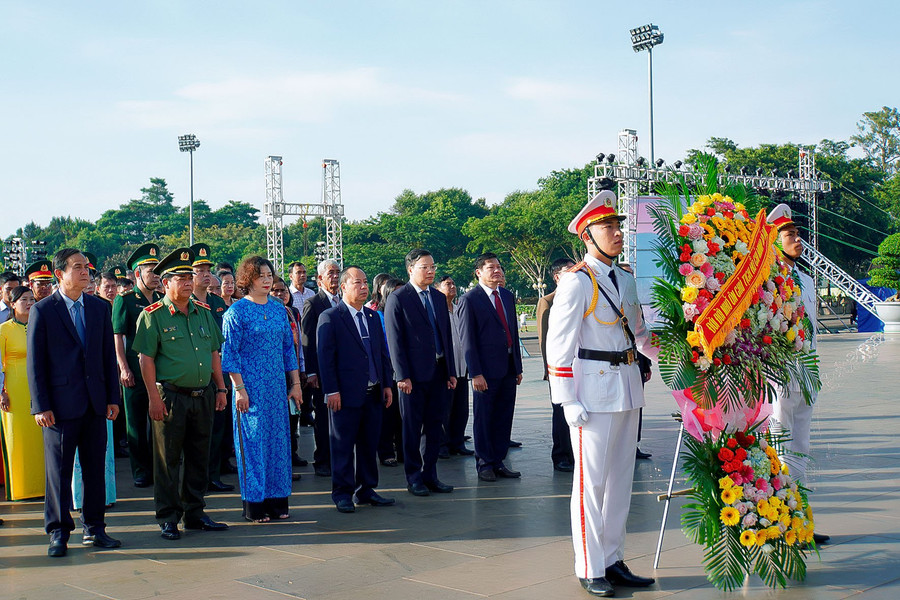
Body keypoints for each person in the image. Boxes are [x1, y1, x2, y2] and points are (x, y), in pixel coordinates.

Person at [546, 191, 658, 596]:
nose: (616, 233)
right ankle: (590, 566)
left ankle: (613, 558)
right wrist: (567, 399)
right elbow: (557, 347)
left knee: (620, 482)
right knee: (590, 484)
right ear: (587, 236)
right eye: (606, 227)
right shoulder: (576, 282)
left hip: (627, 388)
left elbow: (641, 335)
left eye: (617, 226)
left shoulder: (625, 279)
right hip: (591, 393)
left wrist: (686, 347)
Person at [27, 249, 122, 557]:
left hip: (95, 404)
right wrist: (40, 405)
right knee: (59, 471)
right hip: (59, 406)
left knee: (95, 469)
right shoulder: (44, 310)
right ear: (60, 274)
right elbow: (36, 363)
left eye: (87, 268)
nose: (85, 272)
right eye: (78, 268)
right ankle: (58, 532)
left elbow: (108, 356)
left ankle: (95, 528)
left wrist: (112, 398)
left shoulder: (98, 308)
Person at [133, 247, 229, 540]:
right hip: (170, 398)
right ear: (166, 284)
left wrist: (221, 387)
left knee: (200, 457)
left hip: (203, 395)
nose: (189, 282)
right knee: (168, 461)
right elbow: (145, 360)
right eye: (181, 278)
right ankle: (168, 517)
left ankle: (195, 512)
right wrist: (152, 398)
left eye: (190, 277)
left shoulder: (204, 312)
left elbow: (214, 352)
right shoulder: (153, 316)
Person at [766, 204, 829, 546]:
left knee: (800, 449)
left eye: (797, 234)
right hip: (779, 375)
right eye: (789, 235)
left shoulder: (804, 278)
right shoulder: (766, 279)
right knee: (779, 447)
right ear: (773, 241)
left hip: (805, 372)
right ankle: (780, 521)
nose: (797, 240)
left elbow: (813, 330)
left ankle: (800, 520)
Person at [222, 256, 302, 522]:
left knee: (279, 445)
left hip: (277, 390)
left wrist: (296, 384)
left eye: (270, 275)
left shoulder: (280, 309)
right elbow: (230, 355)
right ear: (248, 280)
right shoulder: (236, 312)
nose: (268, 280)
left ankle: (278, 501)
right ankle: (254, 505)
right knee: (254, 445)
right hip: (250, 390)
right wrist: (240, 389)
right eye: (261, 276)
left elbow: (288, 350)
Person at [317, 266, 395, 513]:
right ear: (343, 287)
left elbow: (381, 354)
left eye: (365, 282)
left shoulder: (372, 317)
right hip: (344, 394)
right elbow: (325, 359)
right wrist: (331, 391)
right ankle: (342, 493)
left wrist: (387, 385)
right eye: (357, 283)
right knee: (342, 445)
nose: (363, 287)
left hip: (372, 392)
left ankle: (367, 489)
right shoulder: (331, 317)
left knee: (369, 444)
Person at [384, 248, 457, 497]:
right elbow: (395, 341)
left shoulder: (437, 297)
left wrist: (451, 371)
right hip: (412, 377)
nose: (430, 271)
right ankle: (414, 477)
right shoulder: (399, 298)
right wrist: (401, 375)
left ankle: (431, 475)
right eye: (424, 267)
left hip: (438, 372)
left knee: (435, 426)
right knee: (413, 427)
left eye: (432, 267)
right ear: (410, 270)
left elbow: (445, 336)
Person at [457, 253, 523, 482]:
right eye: (490, 267)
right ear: (478, 272)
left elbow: (512, 332)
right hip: (484, 372)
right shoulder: (470, 299)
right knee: (484, 418)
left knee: (504, 417)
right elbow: (468, 340)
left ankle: (498, 461)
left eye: (498, 267)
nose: (497, 271)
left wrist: (517, 365)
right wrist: (475, 373)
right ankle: (484, 463)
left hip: (507, 368)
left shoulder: (506, 295)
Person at [113, 243, 163, 488]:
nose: (155, 275)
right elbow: (118, 337)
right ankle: (140, 470)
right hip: (134, 369)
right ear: (137, 274)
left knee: (159, 421)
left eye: (157, 270)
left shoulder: (163, 299)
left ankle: (158, 467)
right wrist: (123, 367)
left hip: (159, 371)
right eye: (150, 270)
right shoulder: (125, 301)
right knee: (135, 423)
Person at [188, 243, 236, 494]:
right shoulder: (186, 302)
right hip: (195, 375)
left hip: (220, 374)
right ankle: (197, 478)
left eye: (208, 269)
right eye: (199, 270)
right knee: (197, 433)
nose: (205, 274)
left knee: (218, 427)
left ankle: (214, 474)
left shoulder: (218, 302)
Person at [1, 286, 45, 500]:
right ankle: (20, 488)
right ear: (12, 303)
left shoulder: (41, 326)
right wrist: (2, 391)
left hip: (39, 388)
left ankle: (43, 485)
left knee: (40, 437)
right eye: (24, 299)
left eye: (31, 299)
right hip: (15, 391)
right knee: (17, 438)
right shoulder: (4, 330)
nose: (29, 303)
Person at [301, 259, 342, 478]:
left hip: (343, 370)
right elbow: (307, 339)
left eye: (338, 272)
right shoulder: (314, 303)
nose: (335, 277)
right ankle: (322, 460)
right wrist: (311, 372)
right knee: (324, 418)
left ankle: (339, 457)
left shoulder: (344, 301)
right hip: (322, 371)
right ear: (320, 279)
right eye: (330, 273)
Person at [537, 257, 576, 472]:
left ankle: (574, 453)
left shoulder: (584, 296)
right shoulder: (548, 301)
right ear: (557, 276)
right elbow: (544, 338)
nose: (574, 273)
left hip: (580, 365)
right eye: (569, 270)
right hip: (558, 367)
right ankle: (560, 454)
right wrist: (548, 369)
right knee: (560, 412)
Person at [270, 276, 309, 469]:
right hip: (275, 373)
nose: (279, 294)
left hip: (292, 372)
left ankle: (293, 453)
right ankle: (282, 460)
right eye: (274, 291)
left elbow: (298, 344)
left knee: (294, 415)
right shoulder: (269, 312)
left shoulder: (293, 312)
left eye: (282, 291)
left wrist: (301, 369)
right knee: (280, 418)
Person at [437, 275, 473, 457]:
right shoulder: (437, 311)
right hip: (446, 369)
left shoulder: (459, 309)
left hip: (462, 367)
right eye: (447, 284)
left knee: (461, 408)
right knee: (444, 409)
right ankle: (442, 445)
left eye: (453, 283)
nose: (452, 287)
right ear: (437, 288)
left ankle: (457, 442)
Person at [376, 276, 404, 466]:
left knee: (404, 416)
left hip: (405, 370)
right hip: (386, 370)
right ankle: (386, 451)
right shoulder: (377, 315)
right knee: (388, 413)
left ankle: (403, 451)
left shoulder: (408, 314)